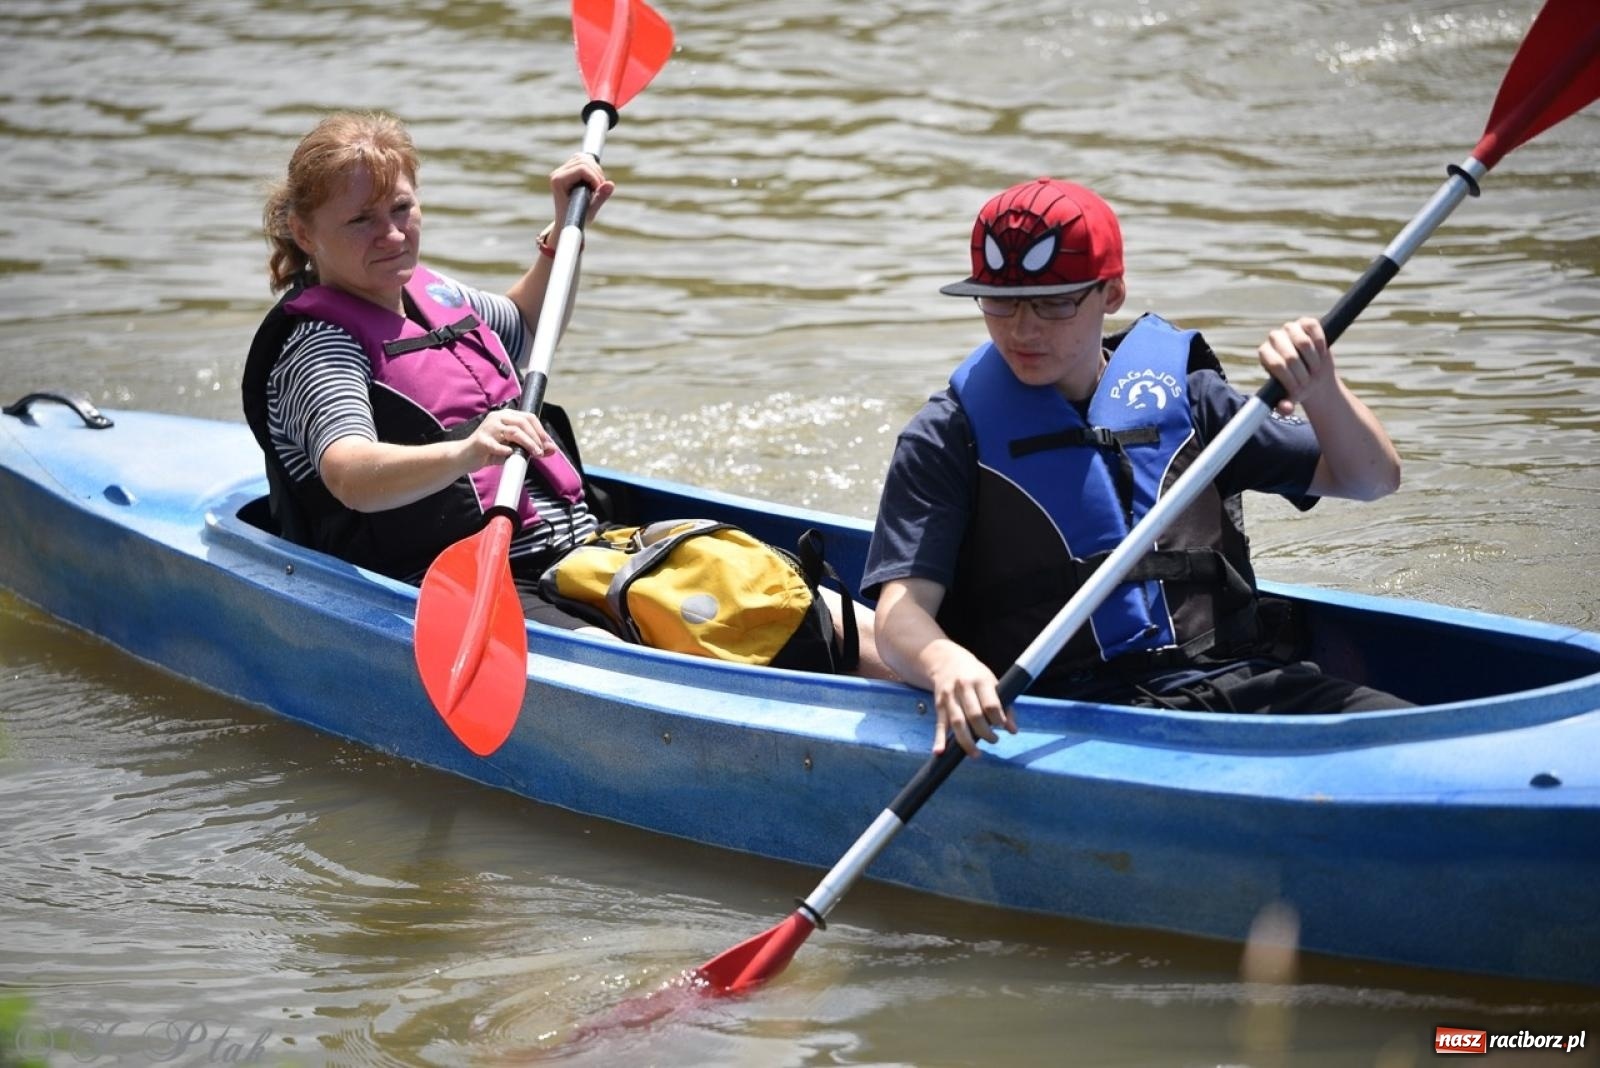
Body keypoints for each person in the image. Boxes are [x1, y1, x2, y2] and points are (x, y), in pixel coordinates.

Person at [242, 110, 890, 676]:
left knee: (799, 605)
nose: (391, 233)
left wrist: (564, 229)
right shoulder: (322, 349)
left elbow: (525, 326)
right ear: (304, 232)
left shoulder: (430, 297)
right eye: (361, 220)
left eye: (402, 208)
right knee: (649, 659)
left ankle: (943, 690)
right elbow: (350, 474)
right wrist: (469, 452)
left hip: (580, 546)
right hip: (463, 586)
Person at [862, 177, 1410, 756]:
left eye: (1053, 303)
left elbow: (1370, 479)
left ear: (1112, 292)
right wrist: (945, 662)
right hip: (1068, 718)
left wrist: (1322, 387)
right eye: (1000, 301)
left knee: (1414, 742)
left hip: (1238, 682)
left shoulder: (1191, 400)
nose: (1022, 329)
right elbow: (901, 615)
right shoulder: (949, 435)